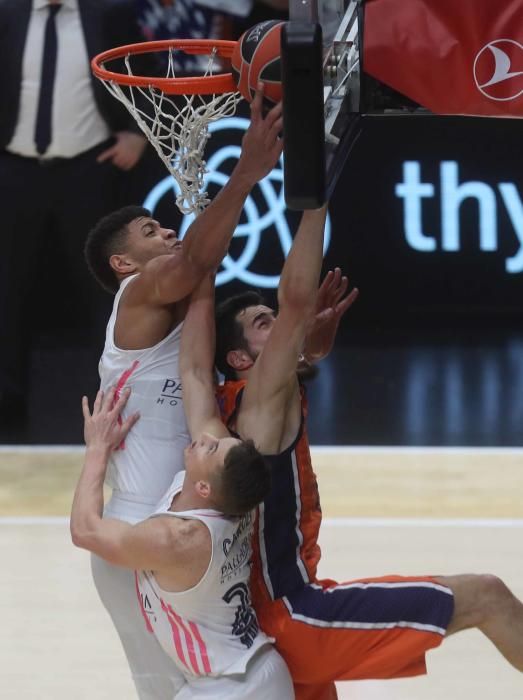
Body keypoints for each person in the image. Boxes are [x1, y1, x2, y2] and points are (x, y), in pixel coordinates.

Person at [211, 206, 523, 700]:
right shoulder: (260, 401)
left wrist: (307, 353)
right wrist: (316, 200)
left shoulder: (228, 408)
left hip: (259, 621)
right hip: (298, 615)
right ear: (240, 360)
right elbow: (296, 300)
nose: (283, 327)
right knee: (488, 595)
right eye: (264, 324)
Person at [82, 89, 283, 699]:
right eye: (150, 229)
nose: (164, 228)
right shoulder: (137, 294)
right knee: (164, 686)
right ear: (124, 263)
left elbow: (199, 343)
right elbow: (195, 261)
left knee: (208, 674)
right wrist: (245, 172)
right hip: (137, 524)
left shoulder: (181, 308)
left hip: (193, 514)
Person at [71, 273, 294, 699]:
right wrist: (202, 275)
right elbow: (193, 369)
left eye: (210, 448)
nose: (205, 437)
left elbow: (85, 532)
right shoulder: (224, 494)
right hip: (259, 672)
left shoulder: (177, 536)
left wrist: (97, 449)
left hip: (228, 689)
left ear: (205, 487)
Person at [0, 0, 152, 427]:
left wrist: (138, 134)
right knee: (6, 287)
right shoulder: (7, 13)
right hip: (13, 166)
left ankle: (109, 401)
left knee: (102, 290)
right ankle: (6, 402)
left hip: (88, 167)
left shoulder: (107, 12)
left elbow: (144, 70)